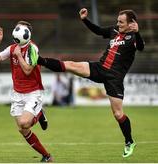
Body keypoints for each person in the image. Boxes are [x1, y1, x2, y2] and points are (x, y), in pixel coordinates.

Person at [31, 8, 145, 158]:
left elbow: (141, 47)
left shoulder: (133, 37)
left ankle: (129, 141)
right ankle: (40, 60)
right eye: (118, 21)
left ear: (131, 23)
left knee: (118, 114)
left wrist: (137, 32)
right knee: (71, 65)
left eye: (121, 22)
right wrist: (85, 19)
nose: (118, 23)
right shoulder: (114, 30)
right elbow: (98, 31)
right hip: (99, 68)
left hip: (114, 78)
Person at [0, 21, 53, 162]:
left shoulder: (33, 49)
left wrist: (18, 56)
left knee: (25, 123)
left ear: (27, 33)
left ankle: (39, 113)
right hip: (17, 93)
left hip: (33, 92)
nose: (17, 30)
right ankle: (47, 156)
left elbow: (28, 70)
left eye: (20, 28)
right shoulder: (12, 48)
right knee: (23, 129)